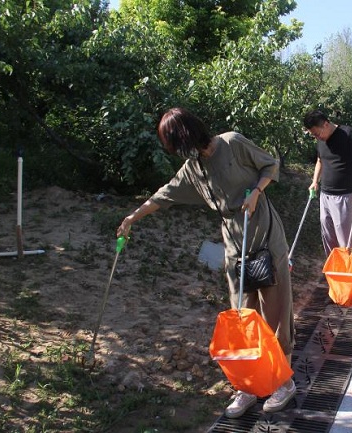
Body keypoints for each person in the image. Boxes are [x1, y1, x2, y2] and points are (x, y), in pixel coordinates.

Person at [116, 108, 296, 419]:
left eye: (174, 144)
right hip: (234, 243)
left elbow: (270, 164)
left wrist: (255, 192)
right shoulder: (192, 169)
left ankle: (283, 381)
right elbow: (163, 195)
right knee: (242, 312)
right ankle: (249, 383)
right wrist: (132, 217)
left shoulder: (232, 143)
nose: (176, 153)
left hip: (264, 235)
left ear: (187, 136)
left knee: (276, 309)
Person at [303, 110, 352, 256]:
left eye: (317, 134)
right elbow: (320, 161)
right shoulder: (320, 139)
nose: (316, 137)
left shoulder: (348, 134)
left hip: (344, 195)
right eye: (313, 135)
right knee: (328, 235)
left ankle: (349, 271)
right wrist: (314, 181)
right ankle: (335, 268)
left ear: (326, 124)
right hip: (325, 195)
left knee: (345, 238)